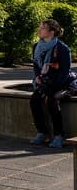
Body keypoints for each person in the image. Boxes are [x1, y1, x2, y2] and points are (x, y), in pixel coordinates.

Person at [30, 19, 72, 148]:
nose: (39, 30)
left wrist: (52, 87)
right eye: (40, 27)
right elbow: (36, 66)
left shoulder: (62, 48)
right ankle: (42, 133)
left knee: (52, 101)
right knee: (34, 100)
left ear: (52, 32)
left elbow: (65, 71)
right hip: (44, 81)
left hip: (61, 82)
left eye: (43, 28)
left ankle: (59, 136)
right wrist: (37, 77)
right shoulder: (37, 46)